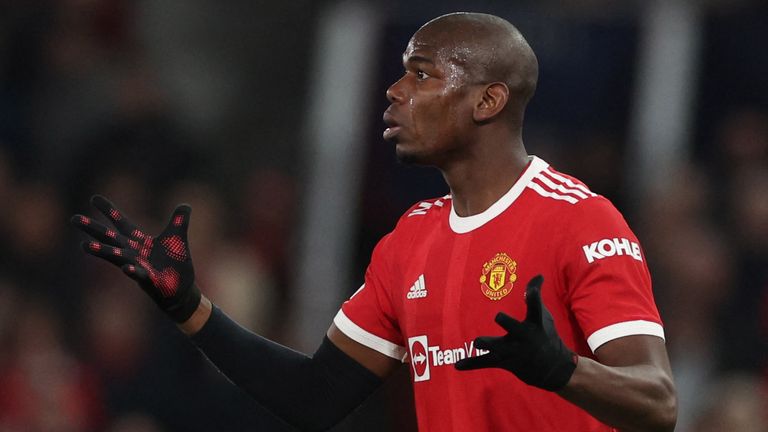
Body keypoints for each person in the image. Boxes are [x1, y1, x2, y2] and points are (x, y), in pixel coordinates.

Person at [72, 12, 677, 432]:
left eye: (420, 74)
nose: (392, 90)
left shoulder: (580, 220)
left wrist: (562, 368)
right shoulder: (410, 239)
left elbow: (658, 403)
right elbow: (317, 398)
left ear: (488, 101)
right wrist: (191, 309)